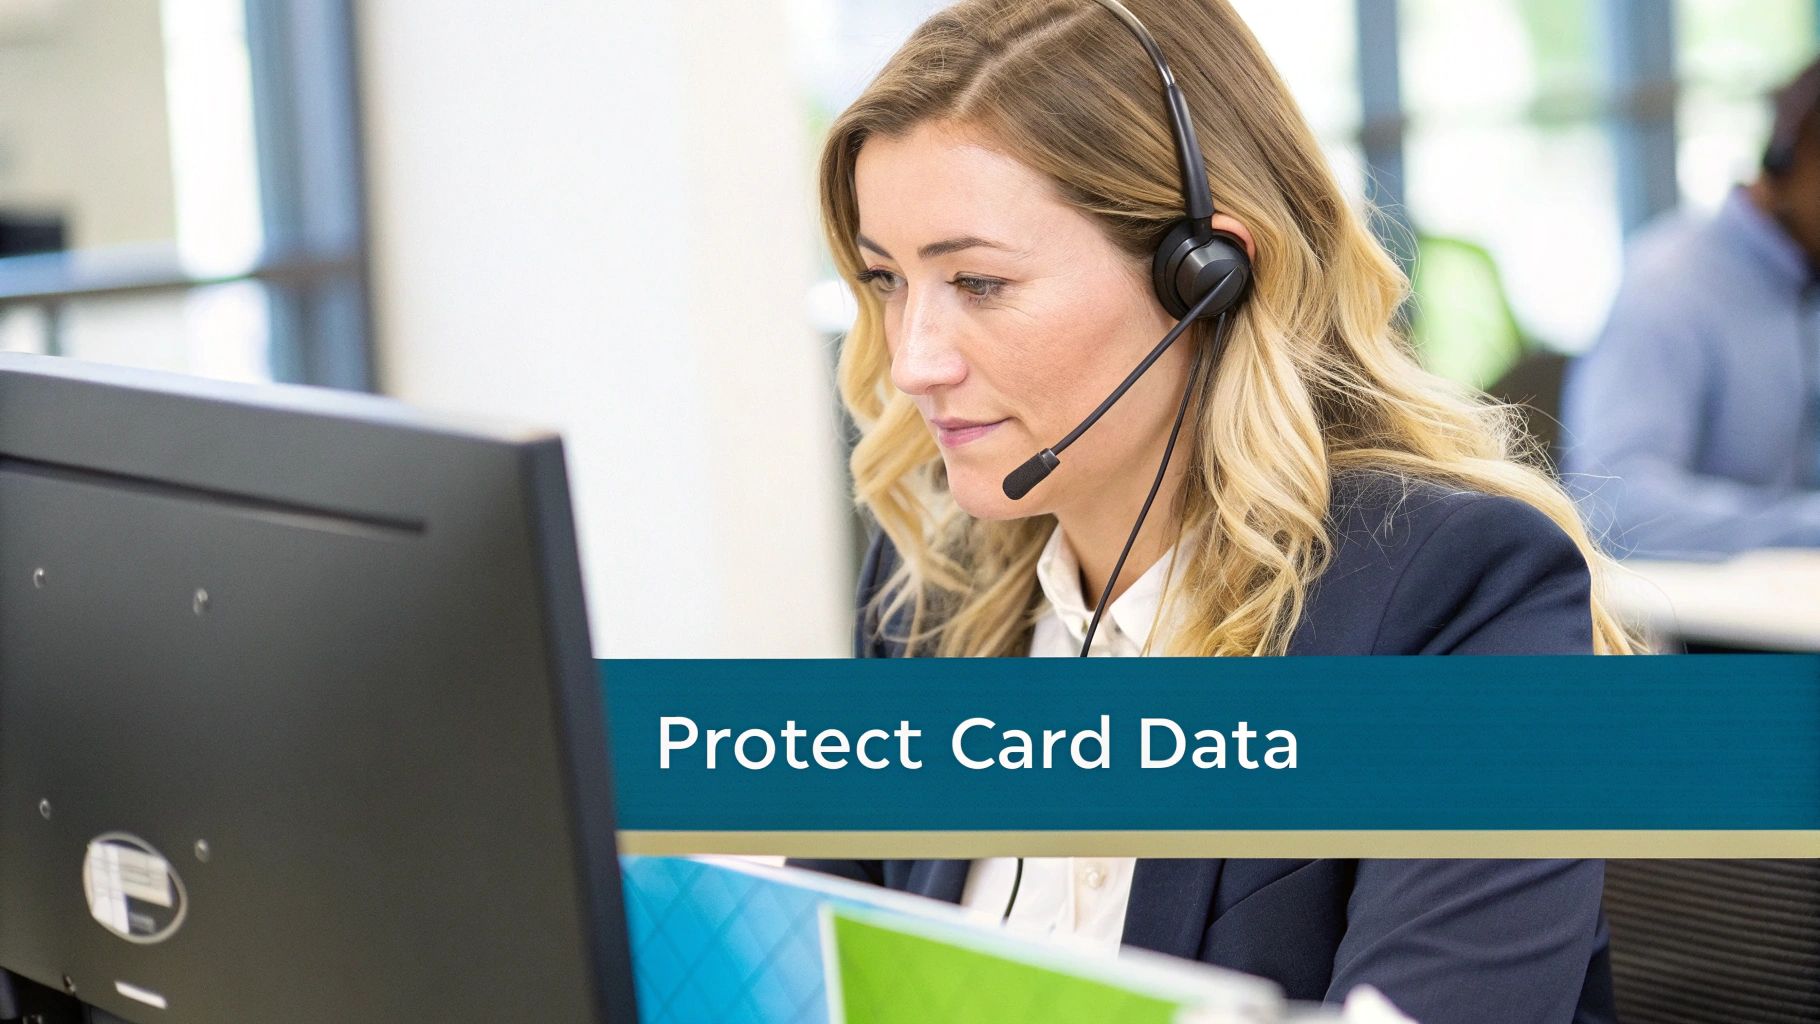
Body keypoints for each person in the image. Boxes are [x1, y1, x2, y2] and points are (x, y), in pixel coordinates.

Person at [792, 1, 1634, 1021]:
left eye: (977, 280)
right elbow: (798, 974)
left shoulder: (1452, 597)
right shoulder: (924, 591)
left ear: (1206, 278)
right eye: (885, 279)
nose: (914, 360)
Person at [1562, 57, 1820, 558]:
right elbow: (1615, 508)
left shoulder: (1806, 275)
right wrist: (1804, 527)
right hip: (1709, 630)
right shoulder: (1670, 286)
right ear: (1795, 160)